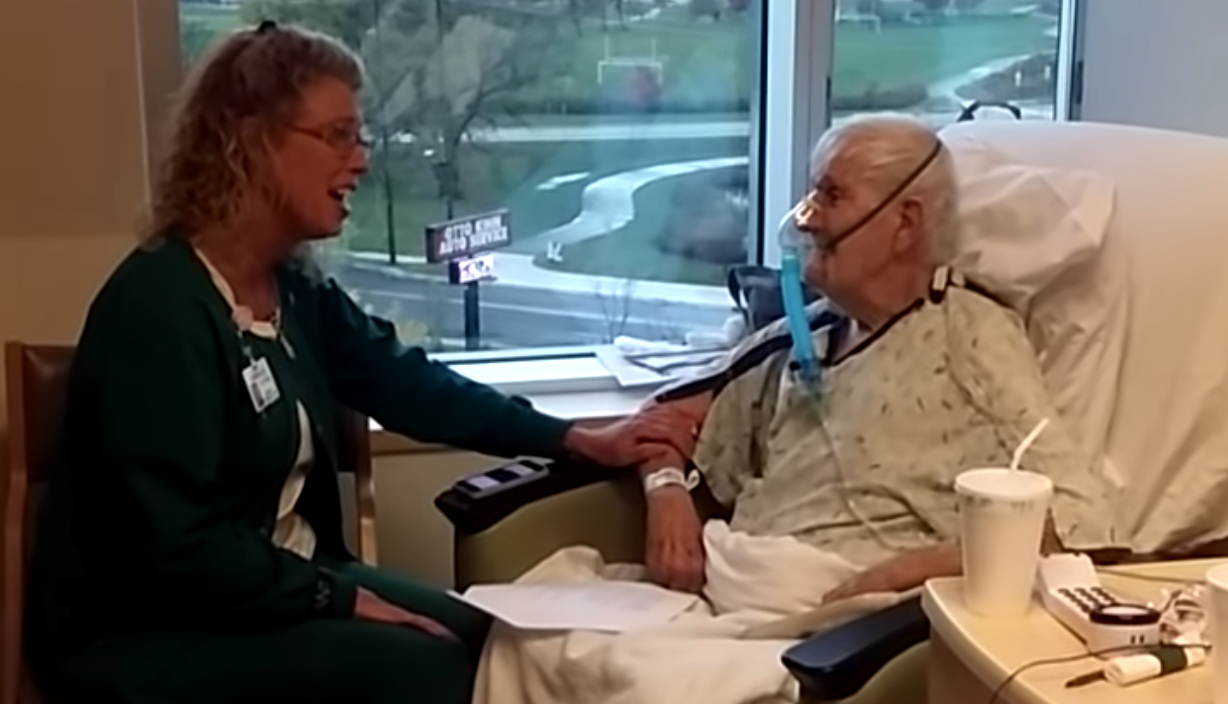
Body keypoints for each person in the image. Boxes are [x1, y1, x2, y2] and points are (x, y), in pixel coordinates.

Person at [24, 22, 691, 704]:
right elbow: (182, 548)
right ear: (252, 142)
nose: (362, 159)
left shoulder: (292, 288)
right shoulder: (158, 309)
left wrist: (570, 436)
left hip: (276, 587)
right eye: (337, 135)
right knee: (424, 669)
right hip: (150, 628)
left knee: (489, 644)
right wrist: (336, 599)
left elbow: (406, 383)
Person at [633, 113, 1117, 599]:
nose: (806, 216)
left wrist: (912, 572)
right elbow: (657, 425)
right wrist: (666, 491)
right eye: (812, 194)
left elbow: (1085, 523)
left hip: (852, 626)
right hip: (738, 587)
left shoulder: (970, 334)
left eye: (832, 196)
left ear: (905, 222)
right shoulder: (803, 337)